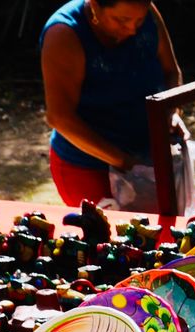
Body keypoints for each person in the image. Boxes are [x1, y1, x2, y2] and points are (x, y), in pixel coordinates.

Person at [40, 0, 182, 207]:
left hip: (147, 160)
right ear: (94, 5)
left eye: (139, 21)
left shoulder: (144, 9)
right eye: (121, 20)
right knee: (103, 228)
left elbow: (171, 72)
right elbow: (59, 117)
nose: (132, 29)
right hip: (89, 167)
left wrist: (171, 112)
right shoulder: (64, 33)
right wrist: (125, 162)